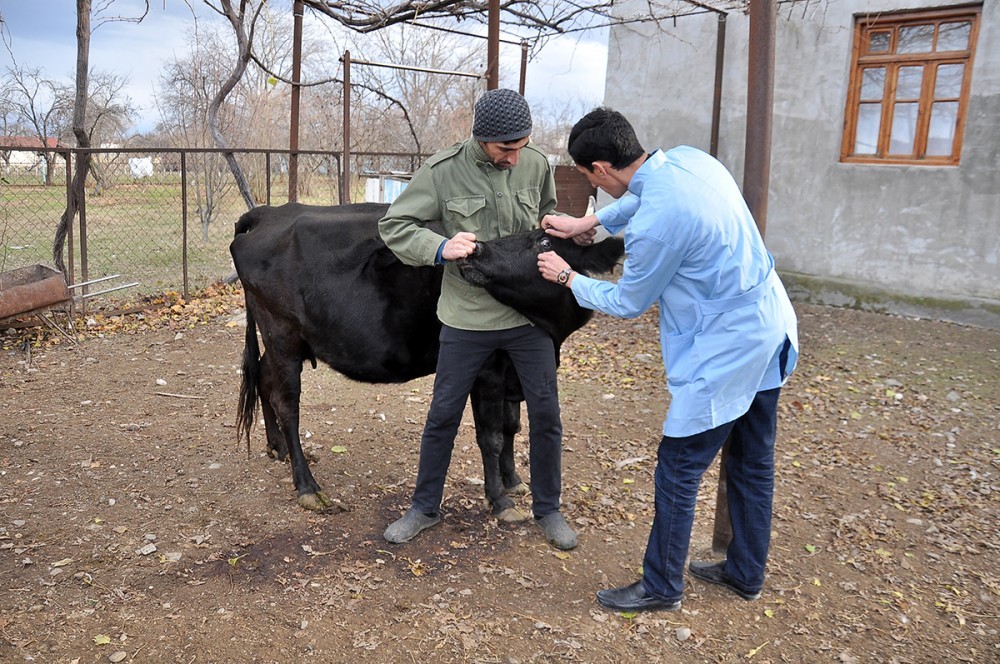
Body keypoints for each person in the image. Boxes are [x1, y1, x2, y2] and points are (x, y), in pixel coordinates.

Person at [537, 108, 798, 611]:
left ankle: (661, 586)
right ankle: (746, 572)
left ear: (600, 169)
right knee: (751, 458)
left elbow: (628, 302)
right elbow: (642, 197)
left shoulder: (658, 223)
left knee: (678, 467)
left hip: (729, 345)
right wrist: (588, 220)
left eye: (588, 178)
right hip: (768, 322)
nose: (595, 185)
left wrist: (567, 278)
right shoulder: (689, 161)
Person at [378, 88, 578, 551]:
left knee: (546, 415)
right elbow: (395, 226)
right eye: (505, 148)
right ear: (481, 139)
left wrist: (561, 224)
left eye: (522, 145)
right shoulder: (443, 171)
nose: (514, 156)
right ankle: (424, 508)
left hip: (528, 317)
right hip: (466, 319)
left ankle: (548, 508)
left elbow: (545, 214)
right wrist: (439, 247)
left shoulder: (534, 163)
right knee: (443, 415)